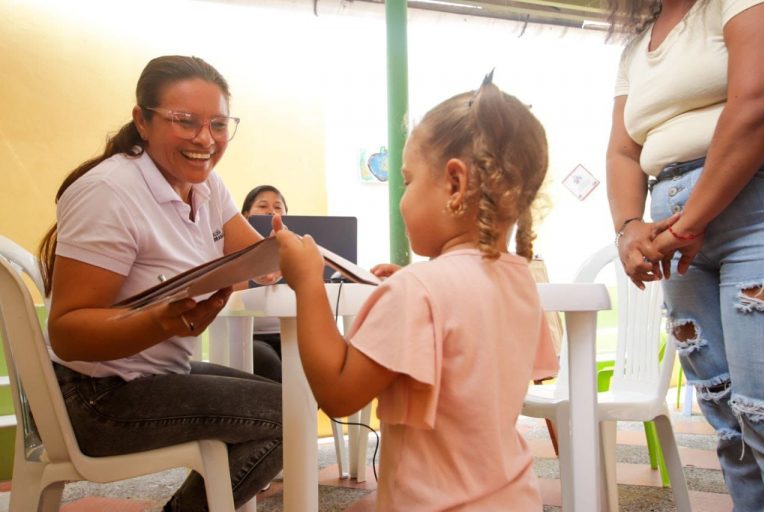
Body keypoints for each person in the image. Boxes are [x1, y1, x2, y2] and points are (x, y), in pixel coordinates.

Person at [276, 76, 559, 510]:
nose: (402, 198)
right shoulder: (521, 282)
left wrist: (308, 284)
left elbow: (338, 393)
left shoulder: (420, 291)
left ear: (454, 184)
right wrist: (411, 285)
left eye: (407, 181)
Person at [38, 55, 283, 511]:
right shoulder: (109, 192)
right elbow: (67, 332)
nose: (205, 140)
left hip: (152, 376)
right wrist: (163, 324)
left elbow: (254, 256)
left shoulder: (207, 187)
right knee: (289, 416)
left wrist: (287, 253)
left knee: (286, 406)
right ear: (143, 121)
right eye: (185, 122)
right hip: (92, 397)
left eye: (219, 125)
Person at [605, 1, 764, 509]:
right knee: (724, 417)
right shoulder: (637, 45)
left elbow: (758, 100)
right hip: (670, 225)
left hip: (752, 208)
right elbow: (622, 151)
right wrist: (629, 229)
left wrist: (691, 220)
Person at [240, 184, 289, 382]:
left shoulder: (297, 249)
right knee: (266, 363)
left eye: (278, 207)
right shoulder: (234, 251)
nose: (271, 211)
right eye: (263, 206)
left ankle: (299, 412)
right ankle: (279, 412)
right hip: (252, 336)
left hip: (291, 332)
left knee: (314, 361)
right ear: (245, 216)